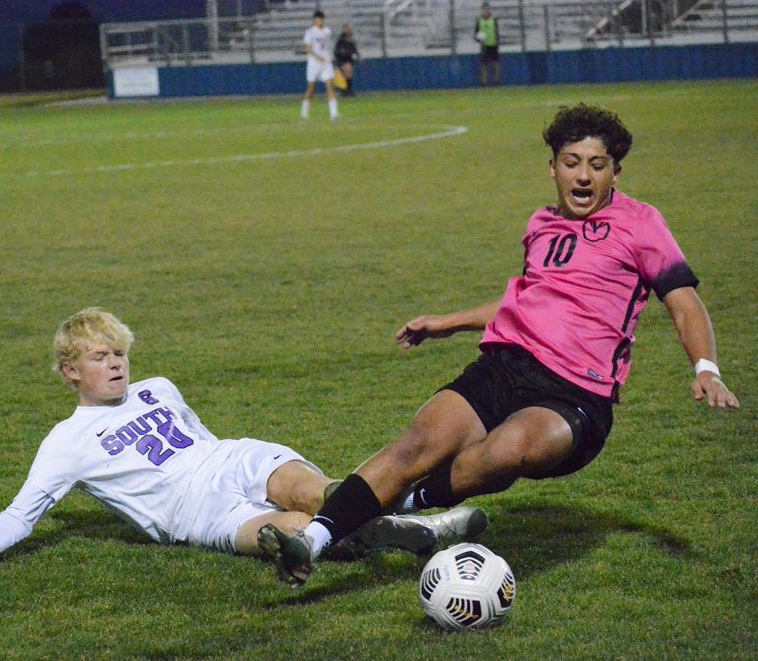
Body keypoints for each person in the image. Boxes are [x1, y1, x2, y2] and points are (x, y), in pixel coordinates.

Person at [259, 104, 741, 588]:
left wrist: (706, 367)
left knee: (505, 450)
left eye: (597, 165)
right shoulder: (540, 225)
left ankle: (401, 506)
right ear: (552, 167)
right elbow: (530, 301)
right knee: (416, 445)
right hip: (505, 366)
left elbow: (684, 303)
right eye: (572, 162)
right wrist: (450, 323)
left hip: (574, 393)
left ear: (616, 170)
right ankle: (314, 543)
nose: (583, 175)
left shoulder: (641, 224)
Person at [0, 308, 485, 577]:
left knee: (309, 491)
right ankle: (416, 527)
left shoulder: (159, 388)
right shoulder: (65, 442)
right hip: (192, 510)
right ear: (69, 372)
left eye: (119, 352)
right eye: (98, 357)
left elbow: (202, 439)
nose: (115, 364)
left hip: (229, 457)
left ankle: (407, 520)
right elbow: (22, 512)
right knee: (283, 534)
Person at [301, 10, 339, 121]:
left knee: (330, 86)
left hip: (326, 63)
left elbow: (327, 46)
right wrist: (317, 57)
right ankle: (304, 111)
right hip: (314, 63)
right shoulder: (310, 32)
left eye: (320, 19)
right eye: (317, 19)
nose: (319, 21)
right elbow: (307, 49)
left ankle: (334, 114)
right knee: (311, 89)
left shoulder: (328, 31)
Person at [475, 2, 501, 87]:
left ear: (490, 10)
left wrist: (497, 42)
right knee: (484, 65)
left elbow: (497, 32)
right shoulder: (479, 21)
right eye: (484, 9)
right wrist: (480, 38)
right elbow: (475, 34)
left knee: (495, 64)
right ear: (481, 11)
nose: (486, 11)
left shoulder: (494, 20)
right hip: (484, 46)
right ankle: (484, 83)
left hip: (493, 45)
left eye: (487, 9)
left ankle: (497, 82)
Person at [333, 24, 360, 96]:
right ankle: (346, 90)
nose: (349, 30)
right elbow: (337, 51)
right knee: (347, 72)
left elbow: (354, 49)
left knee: (348, 74)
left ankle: (347, 90)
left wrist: (358, 56)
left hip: (348, 59)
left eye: (350, 29)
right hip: (342, 60)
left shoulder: (351, 40)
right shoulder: (340, 40)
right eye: (347, 29)